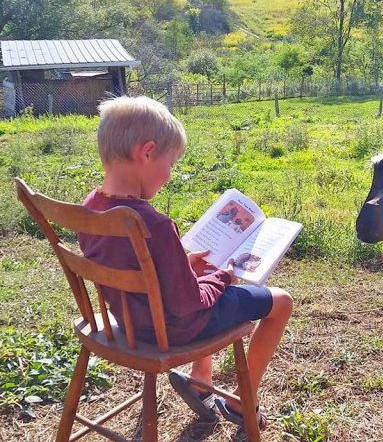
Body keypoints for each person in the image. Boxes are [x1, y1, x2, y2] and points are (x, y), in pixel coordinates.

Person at [78, 96, 292, 428]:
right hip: (172, 329)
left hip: (129, 320)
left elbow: (136, 268)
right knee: (281, 302)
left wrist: (183, 268)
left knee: (202, 275)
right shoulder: (156, 225)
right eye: (170, 163)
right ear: (146, 153)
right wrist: (224, 276)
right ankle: (240, 401)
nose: (169, 174)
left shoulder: (90, 206)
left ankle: (200, 379)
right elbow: (190, 304)